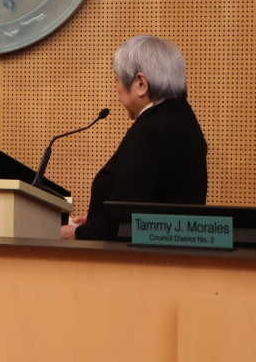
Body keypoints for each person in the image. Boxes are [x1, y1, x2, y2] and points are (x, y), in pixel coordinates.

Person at [63, 35, 208, 241]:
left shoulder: (151, 131)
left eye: (117, 80)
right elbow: (151, 211)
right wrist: (98, 221)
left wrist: (78, 233)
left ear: (140, 83)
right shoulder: (183, 122)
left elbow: (127, 223)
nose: (117, 91)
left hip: (140, 267)